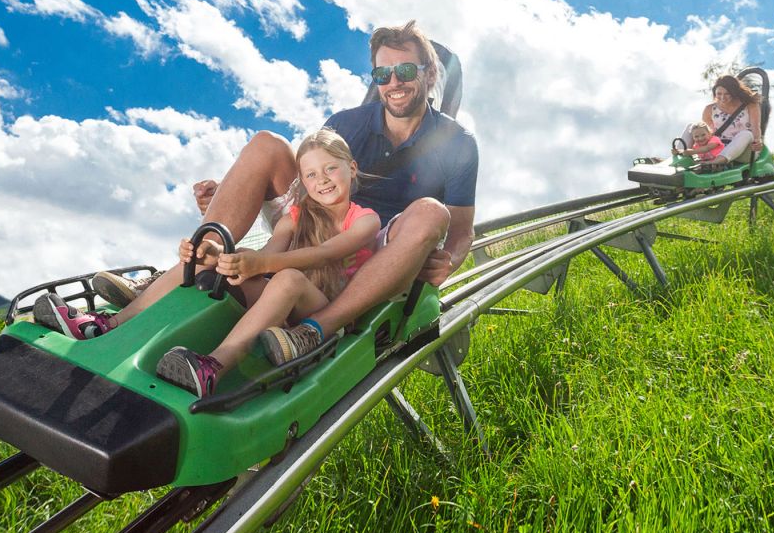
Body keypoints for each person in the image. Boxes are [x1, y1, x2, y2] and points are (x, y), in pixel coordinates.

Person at [42, 21, 478, 362]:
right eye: (383, 72)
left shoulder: (458, 144)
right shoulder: (347, 124)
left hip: (378, 242)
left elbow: (459, 234)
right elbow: (310, 182)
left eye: (405, 70)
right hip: (318, 217)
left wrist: (450, 261)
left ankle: (317, 328)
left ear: (428, 73)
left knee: (431, 212)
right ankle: (196, 264)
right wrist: (231, 197)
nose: (394, 82)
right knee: (267, 144)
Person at [150, 129, 380, 397]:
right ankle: (157, 330)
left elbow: (326, 253)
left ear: (352, 168)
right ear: (303, 182)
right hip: (289, 306)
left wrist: (261, 263)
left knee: (289, 278)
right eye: (311, 174)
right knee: (240, 266)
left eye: (330, 168)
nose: (323, 180)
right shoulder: (294, 217)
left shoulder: (365, 220)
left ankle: (213, 367)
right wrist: (219, 255)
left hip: (328, 315)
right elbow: (268, 255)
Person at [680, 74, 763, 167]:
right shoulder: (709, 109)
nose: (723, 98)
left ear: (734, 92)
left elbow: (756, 127)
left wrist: (757, 141)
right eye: (719, 94)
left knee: (746, 134)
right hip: (717, 149)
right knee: (691, 126)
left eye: (727, 93)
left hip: (744, 150)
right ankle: (679, 156)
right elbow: (707, 134)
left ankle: (717, 162)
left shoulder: (750, 105)